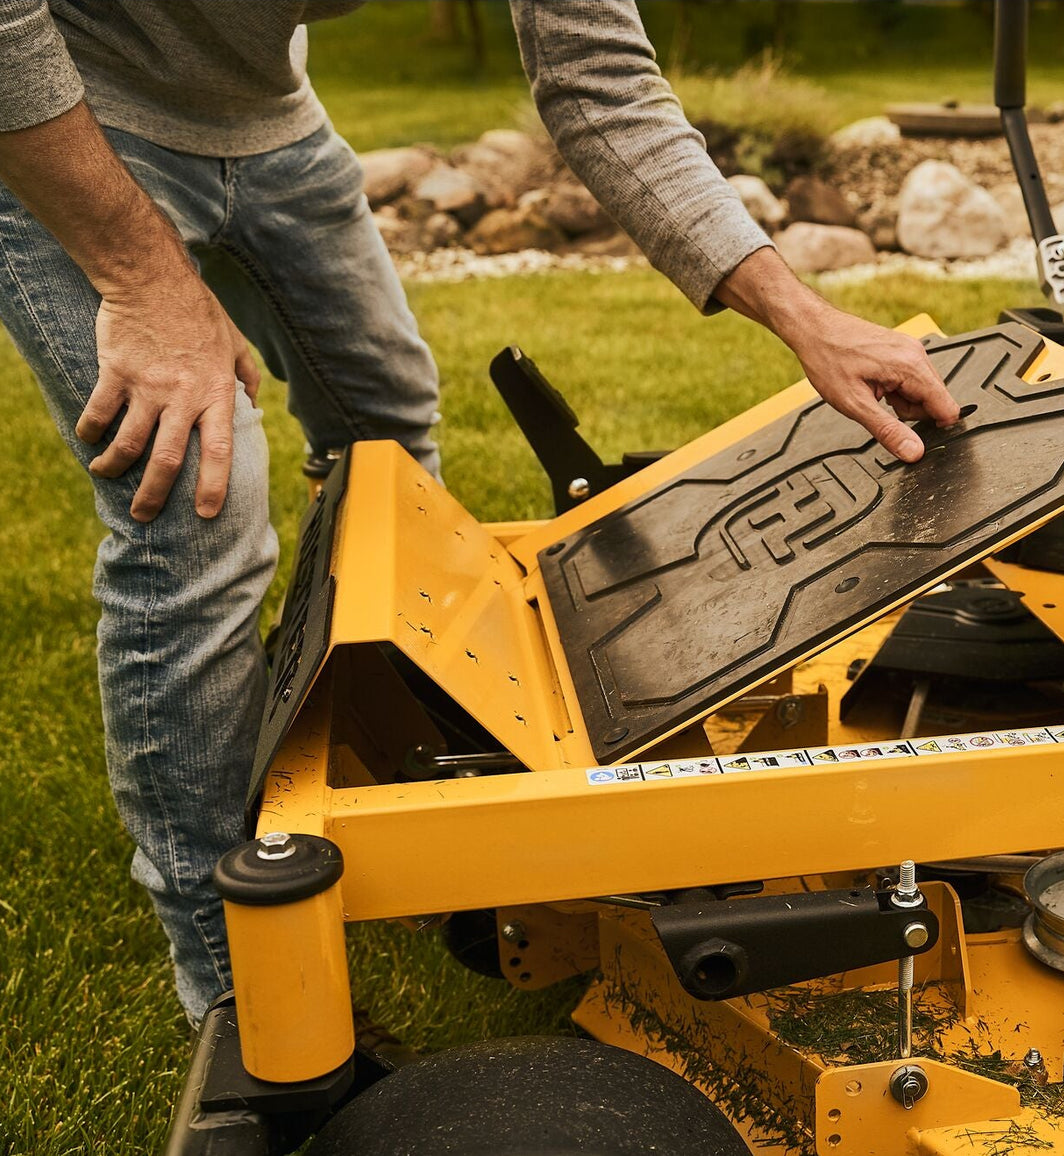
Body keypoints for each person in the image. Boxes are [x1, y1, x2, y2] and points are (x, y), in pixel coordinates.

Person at [0, 0, 958, 1027]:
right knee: (197, 506)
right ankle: (234, 980)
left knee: (385, 431)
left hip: (267, 121)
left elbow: (604, 84)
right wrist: (144, 279)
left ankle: (388, 788)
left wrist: (807, 318)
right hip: (71, 116)